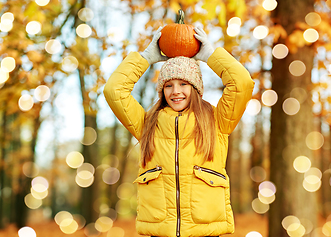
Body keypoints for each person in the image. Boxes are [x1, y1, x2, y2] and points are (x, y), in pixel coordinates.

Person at [103, 26, 254, 237]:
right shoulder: (147, 124)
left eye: (184, 84)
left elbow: (241, 83)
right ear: (162, 90)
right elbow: (114, 90)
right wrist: (146, 58)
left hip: (206, 234)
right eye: (168, 85)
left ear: (195, 88)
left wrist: (211, 55)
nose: (176, 91)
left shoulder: (217, 121)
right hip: (159, 233)